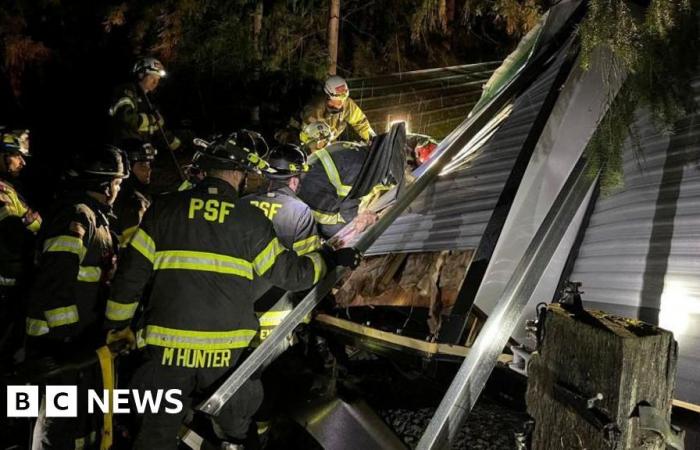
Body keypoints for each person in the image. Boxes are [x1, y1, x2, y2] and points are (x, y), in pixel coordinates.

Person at [104, 133, 356, 448]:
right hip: (226, 357)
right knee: (236, 432)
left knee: (156, 435)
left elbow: (130, 277)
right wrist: (332, 257)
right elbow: (293, 274)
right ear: (238, 173)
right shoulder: (248, 219)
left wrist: (119, 327)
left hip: (166, 352)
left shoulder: (162, 211)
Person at [26, 146, 129, 450]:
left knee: (77, 419)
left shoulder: (96, 217)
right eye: (117, 182)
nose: (119, 188)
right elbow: (56, 280)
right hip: (56, 342)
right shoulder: (76, 215)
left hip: (79, 339)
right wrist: (66, 337)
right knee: (56, 419)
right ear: (104, 184)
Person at [245, 144, 322, 341]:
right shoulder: (300, 211)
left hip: (240, 316)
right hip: (279, 320)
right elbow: (308, 270)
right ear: (295, 179)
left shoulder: (243, 204)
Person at [0, 129, 41, 365]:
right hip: (7, 282)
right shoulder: (2, 191)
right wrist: (31, 222)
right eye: (16, 155)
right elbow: (12, 233)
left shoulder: (10, 189)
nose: (22, 162)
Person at [275, 75, 375, 145]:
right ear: (328, 97)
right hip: (308, 143)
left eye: (343, 99)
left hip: (330, 142)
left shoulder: (346, 103)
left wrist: (373, 139)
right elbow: (311, 140)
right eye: (337, 100)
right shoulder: (314, 109)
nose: (341, 103)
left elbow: (360, 121)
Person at [108, 57, 180, 151]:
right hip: (124, 149)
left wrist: (178, 144)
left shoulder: (148, 100)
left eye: (157, 79)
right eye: (152, 77)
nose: (155, 82)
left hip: (142, 151)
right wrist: (150, 119)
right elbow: (125, 118)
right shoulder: (126, 91)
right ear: (141, 75)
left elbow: (159, 130)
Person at [113, 140, 156, 248]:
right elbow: (133, 249)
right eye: (142, 164)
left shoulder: (113, 195)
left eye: (149, 163)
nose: (149, 169)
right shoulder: (134, 203)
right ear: (127, 167)